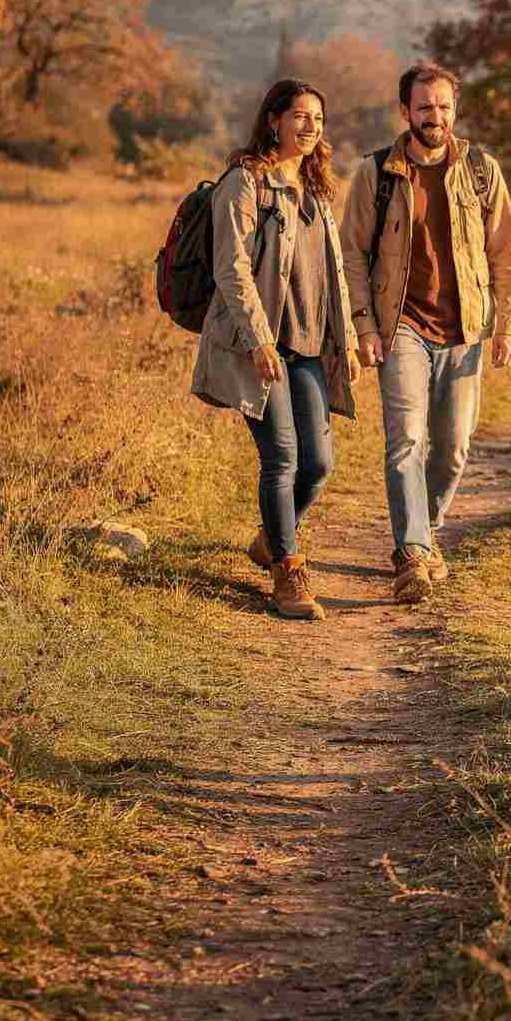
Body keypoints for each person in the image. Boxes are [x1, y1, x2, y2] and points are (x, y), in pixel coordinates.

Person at [340, 62, 511, 603]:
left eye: (443, 106)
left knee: (453, 449)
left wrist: (509, 325)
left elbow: (506, 253)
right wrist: (363, 325)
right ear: (406, 111)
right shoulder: (376, 173)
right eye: (424, 107)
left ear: (454, 109)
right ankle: (412, 553)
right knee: (406, 439)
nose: (435, 116)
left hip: (465, 329)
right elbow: (351, 255)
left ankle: (427, 530)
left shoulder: (481, 171)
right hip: (401, 326)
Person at [190, 78, 360, 621]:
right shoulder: (245, 182)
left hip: (310, 346)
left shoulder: (316, 187)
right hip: (261, 346)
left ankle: (270, 536)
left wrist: (347, 341)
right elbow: (231, 268)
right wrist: (259, 339)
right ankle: (287, 569)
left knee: (319, 463)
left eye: (318, 118)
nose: (310, 127)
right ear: (274, 120)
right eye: (300, 116)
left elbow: (334, 273)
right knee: (282, 457)